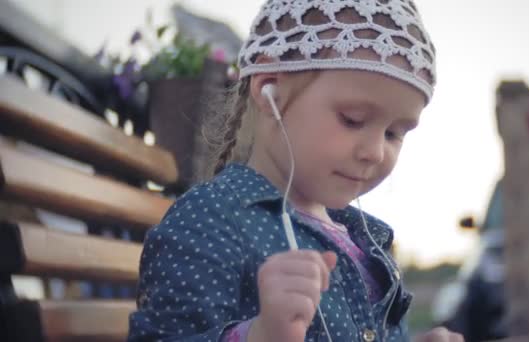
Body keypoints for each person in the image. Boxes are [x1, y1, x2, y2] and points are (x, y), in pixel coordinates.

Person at [129, 0, 463, 341]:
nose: (376, 152)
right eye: (353, 120)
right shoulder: (211, 219)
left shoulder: (365, 240)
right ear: (269, 89)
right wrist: (259, 335)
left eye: (394, 133)